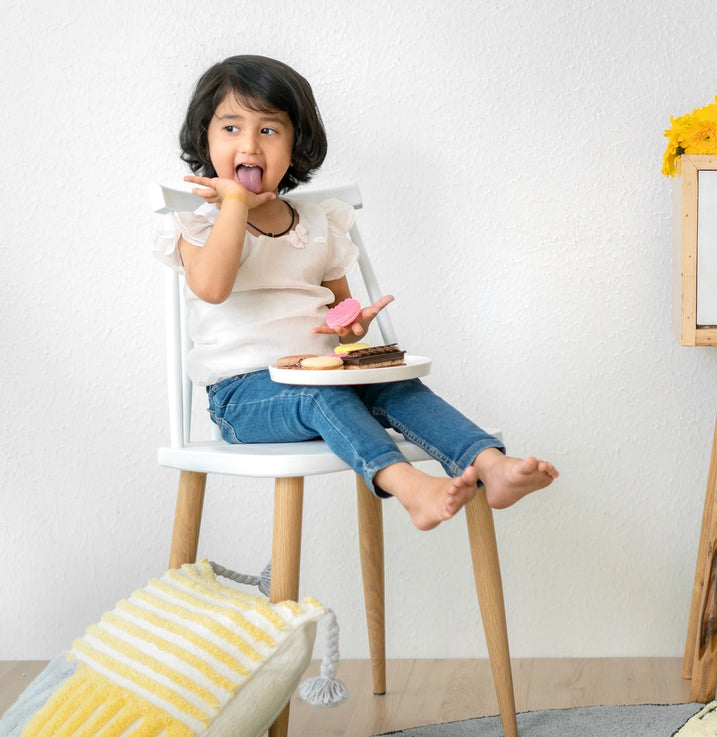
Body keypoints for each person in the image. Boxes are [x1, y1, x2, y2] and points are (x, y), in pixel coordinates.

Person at [157, 55, 556, 530]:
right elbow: (213, 288)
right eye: (230, 128)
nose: (250, 144)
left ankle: (489, 466)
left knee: (396, 384)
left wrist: (352, 325)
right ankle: (409, 488)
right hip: (244, 396)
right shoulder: (200, 224)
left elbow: (339, 316)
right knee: (324, 399)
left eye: (269, 130)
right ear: (205, 136)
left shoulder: (317, 222)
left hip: (319, 376)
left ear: (295, 145)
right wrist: (234, 205)